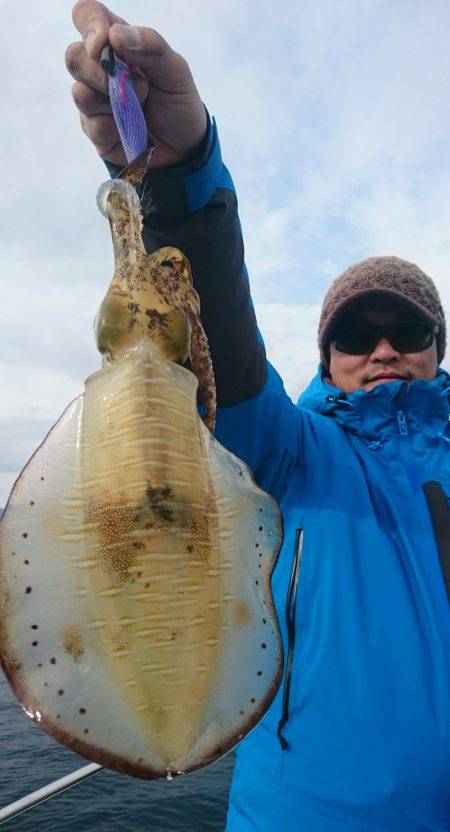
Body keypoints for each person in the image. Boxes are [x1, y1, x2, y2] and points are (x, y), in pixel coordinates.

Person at [66, 3, 450, 829]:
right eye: (356, 331)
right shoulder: (289, 453)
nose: (381, 348)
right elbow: (227, 370)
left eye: (408, 329)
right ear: (326, 355)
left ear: (437, 346)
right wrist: (179, 177)